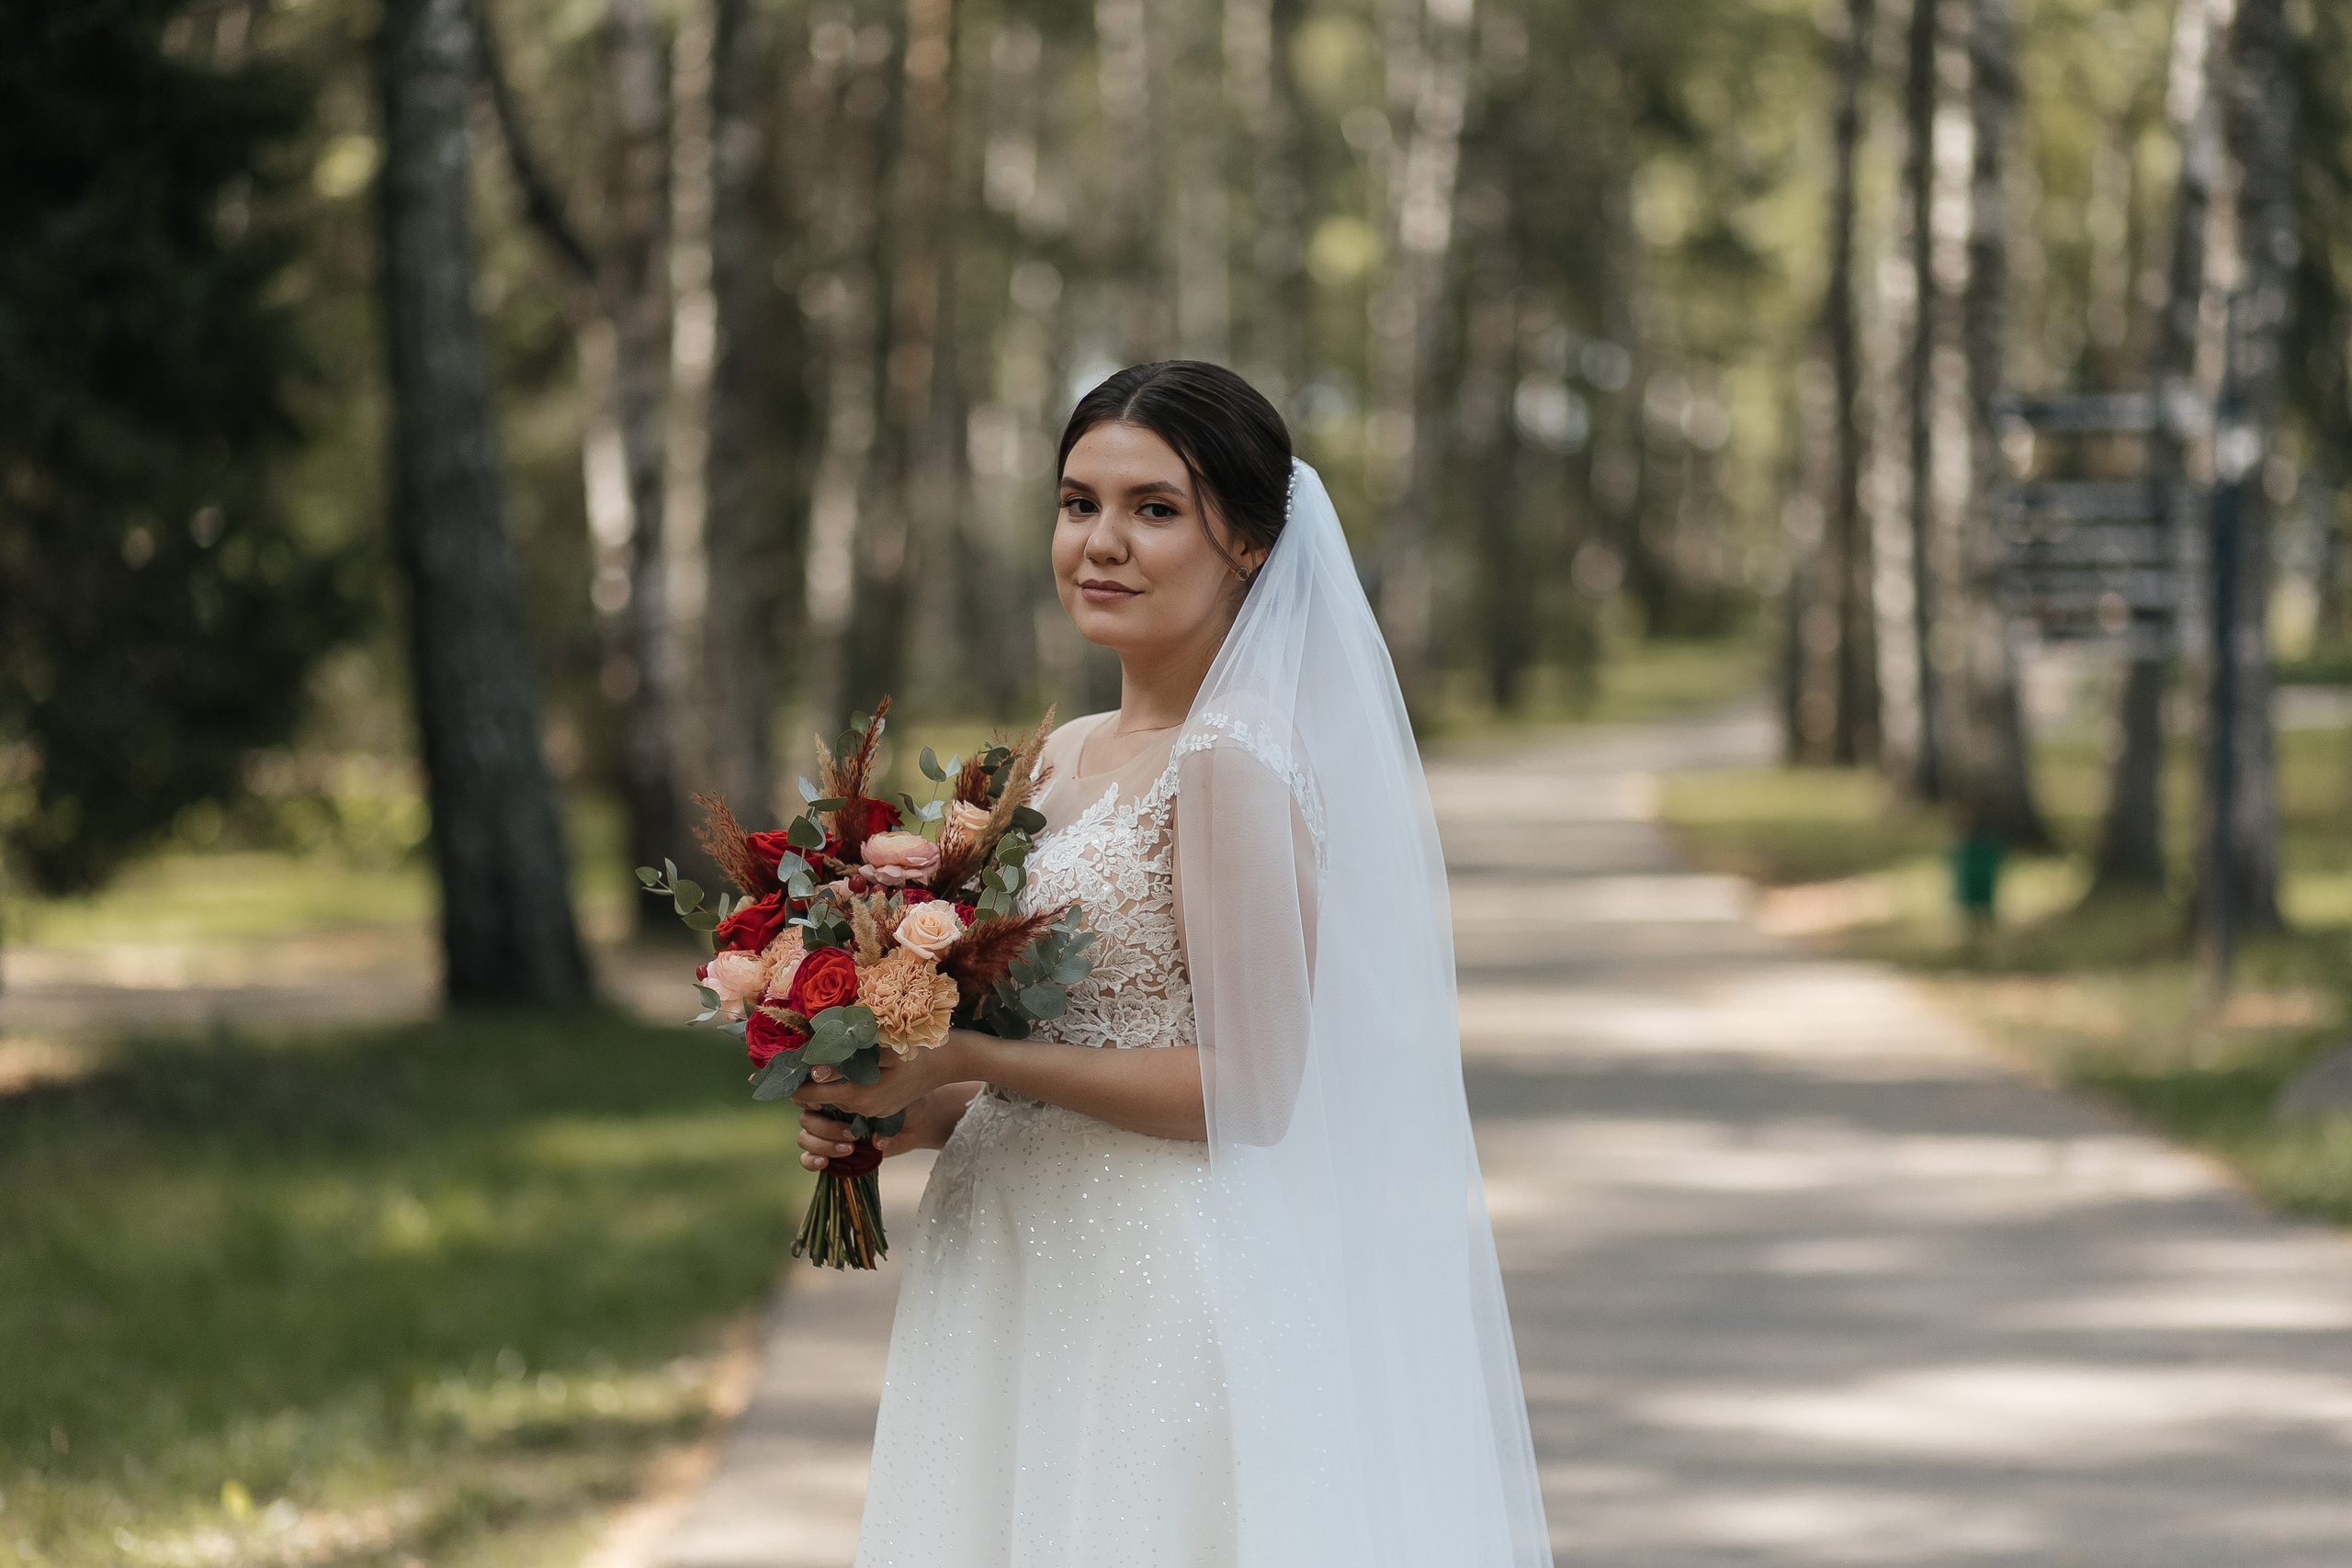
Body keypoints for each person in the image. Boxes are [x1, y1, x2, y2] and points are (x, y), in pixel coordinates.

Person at [792, 361, 1552, 1568]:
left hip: (1149, 1276)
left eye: (1154, 509)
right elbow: (1040, 1054)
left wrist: (979, 1053)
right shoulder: (1052, 763)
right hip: (1010, 1251)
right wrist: (890, 1105)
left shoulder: (1230, 763)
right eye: (1078, 502)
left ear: (1247, 541)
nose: (1102, 543)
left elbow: (1249, 1086)